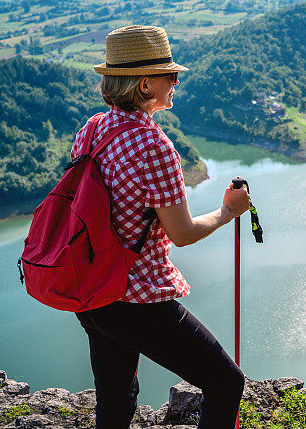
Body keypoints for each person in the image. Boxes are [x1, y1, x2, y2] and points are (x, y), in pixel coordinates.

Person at [73, 25, 249, 428]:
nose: (176, 81)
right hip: (136, 300)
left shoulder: (94, 129)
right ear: (146, 82)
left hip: (92, 290)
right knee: (226, 381)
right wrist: (228, 211)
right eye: (171, 74)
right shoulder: (154, 145)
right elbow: (182, 234)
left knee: (116, 401)